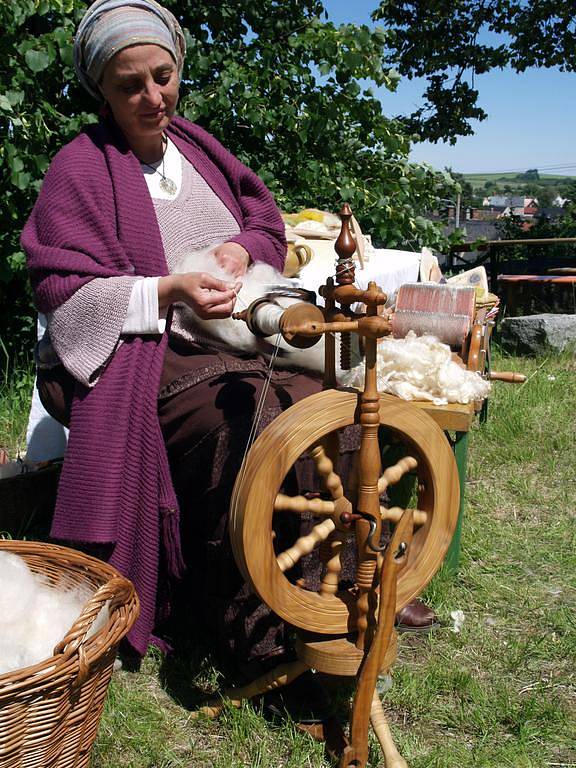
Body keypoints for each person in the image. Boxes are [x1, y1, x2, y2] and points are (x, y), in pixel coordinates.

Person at [22, 0, 332, 701]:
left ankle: (331, 588)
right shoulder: (79, 167)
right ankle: (253, 630)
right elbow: (61, 291)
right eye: (130, 84)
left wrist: (237, 249)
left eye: (163, 76)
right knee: (243, 426)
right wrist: (167, 290)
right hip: (140, 349)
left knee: (317, 405)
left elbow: (262, 217)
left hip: (235, 333)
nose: (152, 97)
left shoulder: (198, 146)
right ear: (101, 89)